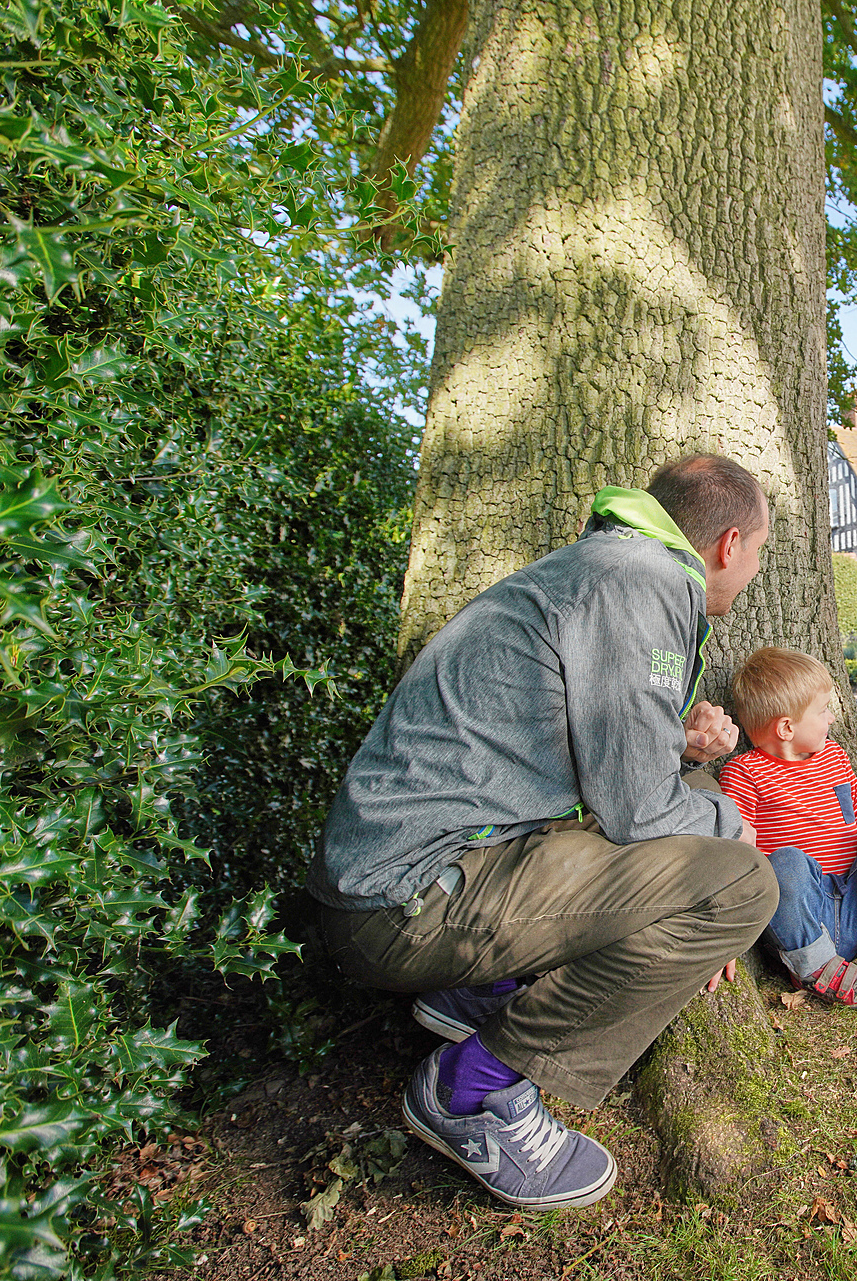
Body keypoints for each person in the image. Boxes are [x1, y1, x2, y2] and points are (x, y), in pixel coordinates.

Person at [310, 454, 781, 1212]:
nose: (752, 570)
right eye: (759, 553)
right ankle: (470, 1091)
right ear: (729, 544)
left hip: (412, 872)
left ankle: (483, 991)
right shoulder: (644, 583)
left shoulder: (606, 565)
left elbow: (585, 754)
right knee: (741, 884)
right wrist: (732, 846)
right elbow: (640, 812)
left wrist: (674, 741)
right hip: (402, 904)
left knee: (700, 821)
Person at [719, 647, 857, 1011]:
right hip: (803, 920)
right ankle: (816, 967)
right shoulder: (744, 773)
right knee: (783, 863)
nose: (832, 718)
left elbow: (854, 812)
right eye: (822, 711)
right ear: (786, 727)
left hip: (856, 906)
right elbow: (737, 851)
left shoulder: (834, 756)